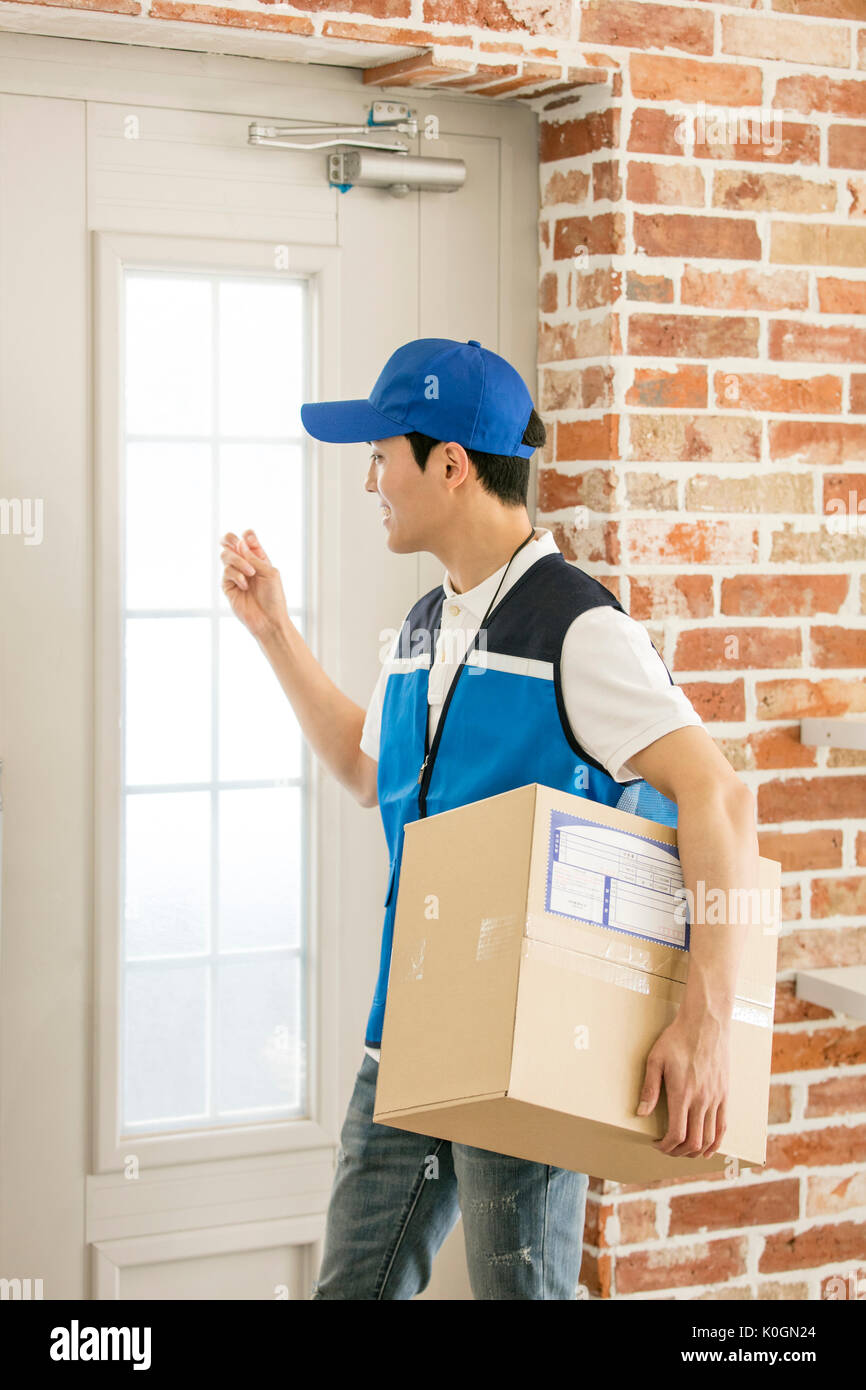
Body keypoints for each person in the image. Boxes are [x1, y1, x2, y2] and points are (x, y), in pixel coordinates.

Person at [219, 336, 759, 1300]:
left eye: (382, 453)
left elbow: (717, 795)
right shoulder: (427, 625)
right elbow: (364, 767)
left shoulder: (578, 630)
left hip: (523, 1060)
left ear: (451, 465)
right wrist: (276, 633)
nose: (371, 478)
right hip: (409, 1044)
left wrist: (705, 1019)